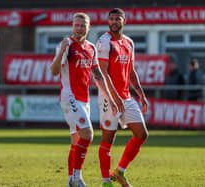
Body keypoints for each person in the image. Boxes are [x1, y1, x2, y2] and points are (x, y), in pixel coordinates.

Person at [50, 12, 123, 187]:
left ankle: (70, 180)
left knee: (77, 141)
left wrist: (111, 99)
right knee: (88, 135)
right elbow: (54, 71)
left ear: (88, 28)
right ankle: (77, 178)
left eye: (83, 25)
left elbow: (98, 76)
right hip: (69, 97)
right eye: (76, 25)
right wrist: (61, 50)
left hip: (84, 100)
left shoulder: (91, 48)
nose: (79, 28)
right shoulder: (66, 45)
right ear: (72, 26)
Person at [96, 8, 149, 187]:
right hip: (108, 98)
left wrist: (141, 94)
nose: (114, 22)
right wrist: (113, 97)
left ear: (124, 21)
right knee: (108, 139)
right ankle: (105, 182)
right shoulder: (104, 42)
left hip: (126, 97)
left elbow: (131, 71)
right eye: (111, 19)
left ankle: (119, 172)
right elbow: (103, 73)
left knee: (142, 134)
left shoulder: (129, 43)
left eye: (117, 19)